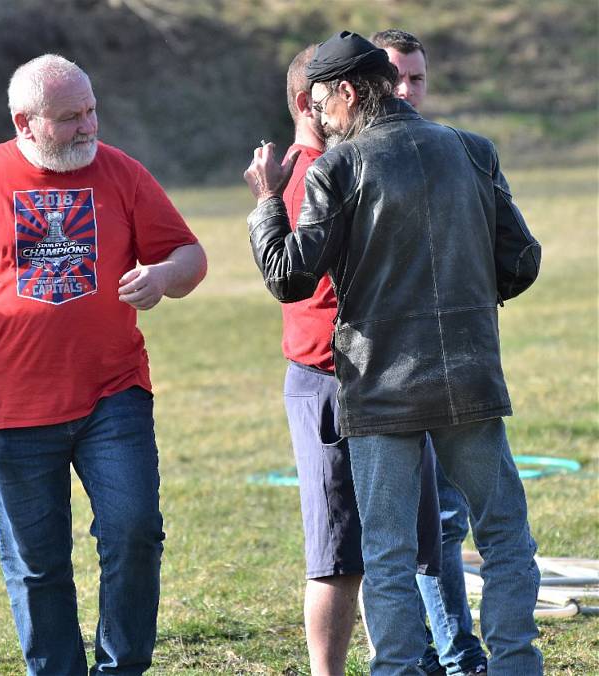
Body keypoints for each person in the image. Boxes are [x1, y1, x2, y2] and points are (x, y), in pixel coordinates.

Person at [244, 30, 542, 676]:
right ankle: (518, 663)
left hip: (379, 392)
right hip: (470, 382)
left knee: (386, 553)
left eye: (320, 105)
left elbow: (290, 276)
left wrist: (268, 204)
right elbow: (522, 261)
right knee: (506, 539)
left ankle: (398, 670)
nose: (317, 119)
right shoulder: (472, 151)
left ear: (347, 93)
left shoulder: (338, 168)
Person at [0, 54, 206, 675]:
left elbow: (189, 253)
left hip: (113, 394)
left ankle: (122, 668)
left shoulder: (121, 173)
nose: (88, 126)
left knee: (135, 534)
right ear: (25, 121)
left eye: (92, 110)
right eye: (70, 118)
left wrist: (167, 275)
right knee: (37, 564)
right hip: (14, 408)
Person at [280, 44, 443, 676]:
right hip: (331, 380)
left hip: (385, 375)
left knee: (398, 546)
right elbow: (302, 279)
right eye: (328, 96)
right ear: (309, 104)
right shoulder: (310, 172)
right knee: (339, 556)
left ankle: (401, 661)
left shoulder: (355, 161)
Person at [370, 28, 489, 676]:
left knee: (446, 519)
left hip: (453, 365)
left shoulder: (453, 153)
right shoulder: (355, 161)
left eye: (416, 78)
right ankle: (433, 654)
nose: (407, 91)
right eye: (394, 79)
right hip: (381, 374)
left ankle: (455, 653)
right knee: (401, 533)